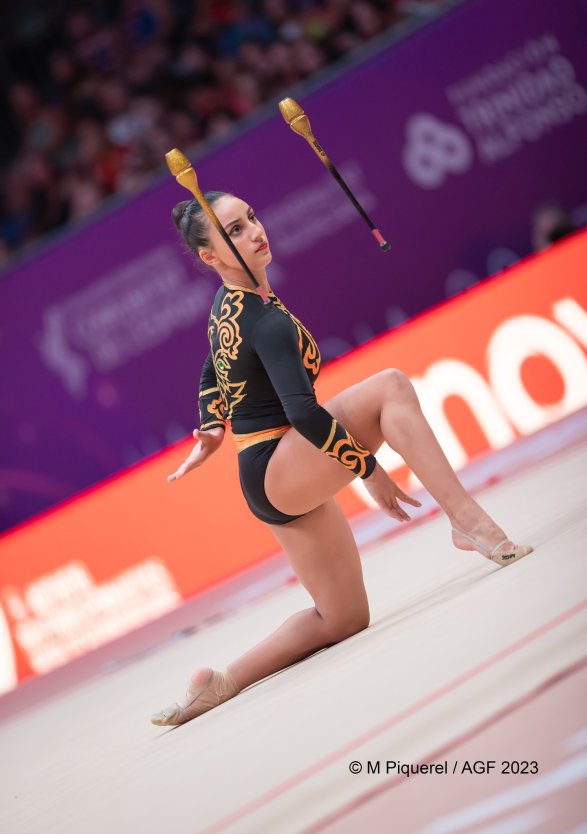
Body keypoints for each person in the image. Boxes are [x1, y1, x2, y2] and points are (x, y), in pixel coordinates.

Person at [150, 192, 533, 726]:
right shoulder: (263, 319)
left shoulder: (232, 301)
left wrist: (212, 424)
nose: (255, 231)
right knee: (390, 387)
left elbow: (212, 363)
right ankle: (468, 521)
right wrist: (369, 470)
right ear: (209, 256)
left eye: (251, 218)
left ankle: (222, 683)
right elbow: (303, 412)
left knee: (343, 618)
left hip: (271, 475)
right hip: (280, 463)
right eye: (234, 231)